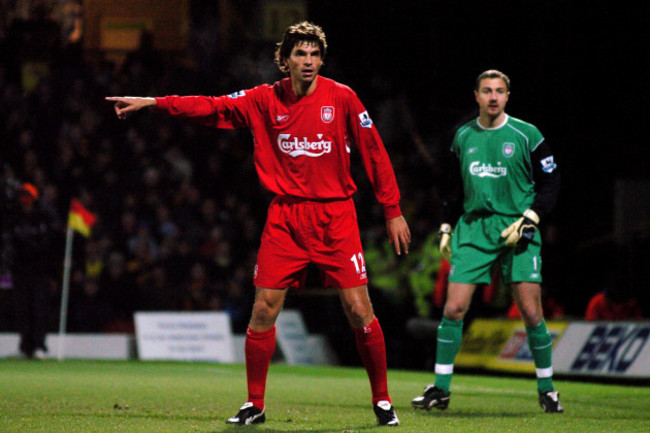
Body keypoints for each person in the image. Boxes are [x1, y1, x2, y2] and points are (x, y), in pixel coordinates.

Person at [106, 21, 410, 427]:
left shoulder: (343, 98)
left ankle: (383, 400)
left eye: (314, 54)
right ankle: (255, 403)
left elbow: (374, 152)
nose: (308, 61)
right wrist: (155, 102)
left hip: (336, 216)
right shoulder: (263, 99)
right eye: (299, 54)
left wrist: (392, 209)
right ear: (284, 60)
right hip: (285, 217)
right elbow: (211, 107)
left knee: (358, 309)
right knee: (264, 309)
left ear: (322, 59)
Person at [411, 70, 563, 413]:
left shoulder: (527, 134)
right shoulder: (462, 136)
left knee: (530, 311)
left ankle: (548, 389)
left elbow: (551, 182)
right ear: (476, 95)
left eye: (499, 91)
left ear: (507, 96)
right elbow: (453, 187)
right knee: (453, 308)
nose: (493, 97)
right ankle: (441, 388)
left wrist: (532, 218)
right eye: (486, 91)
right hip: (475, 227)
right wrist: (447, 225)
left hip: (519, 226)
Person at [8, 182, 61, 358]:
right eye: (22, 197)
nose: (25, 201)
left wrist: (53, 273)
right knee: (22, 310)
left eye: (28, 197)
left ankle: (39, 346)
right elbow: (11, 247)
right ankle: (25, 347)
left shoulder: (45, 217)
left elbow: (51, 247)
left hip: (41, 272)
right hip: (20, 272)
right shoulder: (15, 217)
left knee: (40, 310)